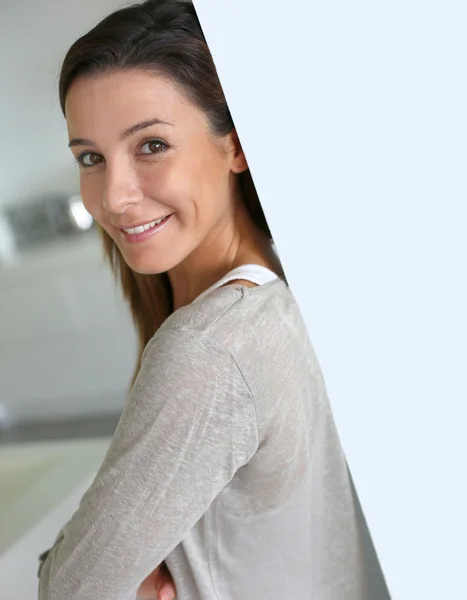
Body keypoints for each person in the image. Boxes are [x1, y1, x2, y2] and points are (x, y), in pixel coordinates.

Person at [37, 1, 370, 598]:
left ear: (236, 147)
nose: (113, 196)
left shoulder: (210, 350)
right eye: (90, 157)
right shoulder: (276, 284)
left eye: (152, 146)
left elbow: (70, 589)